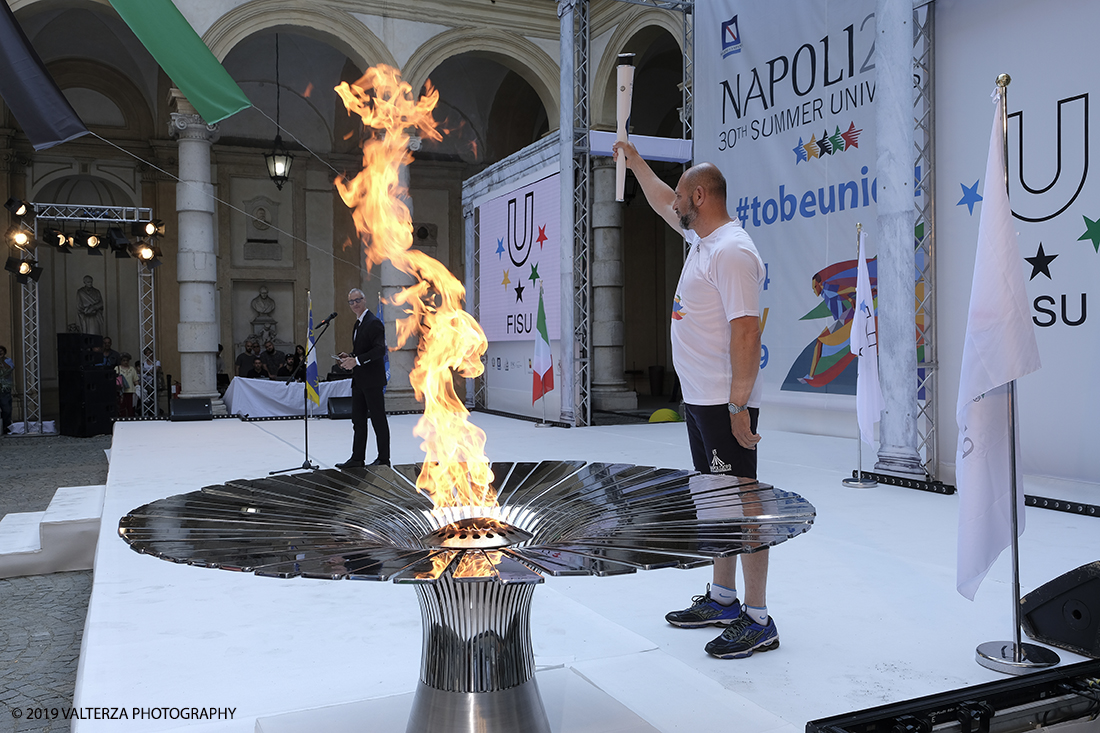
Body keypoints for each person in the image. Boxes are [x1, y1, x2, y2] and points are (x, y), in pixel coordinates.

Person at [614, 140, 772, 660]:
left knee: (743, 503)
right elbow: (661, 199)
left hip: (725, 404)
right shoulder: (703, 241)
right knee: (714, 500)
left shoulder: (733, 252)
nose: (674, 202)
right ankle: (723, 599)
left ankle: (758, 618)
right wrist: (634, 161)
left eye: (683, 194)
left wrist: (739, 405)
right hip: (702, 400)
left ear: (700, 196)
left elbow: (747, 333)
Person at [336, 288, 390, 468]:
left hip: (372, 381)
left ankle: (384, 459)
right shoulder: (358, 323)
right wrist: (349, 356)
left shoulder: (373, 323)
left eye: (357, 300)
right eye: (351, 302)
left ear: (364, 300)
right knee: (358, 420)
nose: (354, 304)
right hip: (359, 380)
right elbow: (362, 350)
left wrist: (356, 360)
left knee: (378, 420)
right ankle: (357, 458)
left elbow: (379, 350)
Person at [115, 352, 139, 417]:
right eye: (124, 360)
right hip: (121, 392)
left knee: (131, 407)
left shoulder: (132, 369)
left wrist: (138, 388)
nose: (125, 362)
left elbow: (135, 380)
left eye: (127, 360)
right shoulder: (117, 369)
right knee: (121, 407)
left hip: (131, 391)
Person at [139, 347, 160, 413]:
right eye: (147, 353)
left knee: (154, 398)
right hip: (145, 382)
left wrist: (146, 372)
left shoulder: (156, 362)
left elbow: (155, 371)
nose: (148, 355)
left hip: (154, 382)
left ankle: (155, 411)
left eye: (150, 353)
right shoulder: (143, 363)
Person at [0, 345, 13, 434]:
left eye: (1, 351)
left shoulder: (8, 360)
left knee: (6, 409)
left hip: (4, 388)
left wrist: (2, 361)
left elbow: (9, 370)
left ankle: (6, 426)